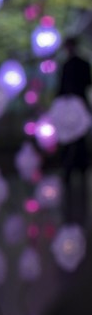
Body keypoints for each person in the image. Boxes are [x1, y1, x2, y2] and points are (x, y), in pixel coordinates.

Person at [57, 35, 91, 227]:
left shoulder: (74, 65)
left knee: (75, 140)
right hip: (72, 107)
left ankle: (76, 168)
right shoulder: (74, 64)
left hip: (75, 107)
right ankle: (73, 169)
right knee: (72, 140)